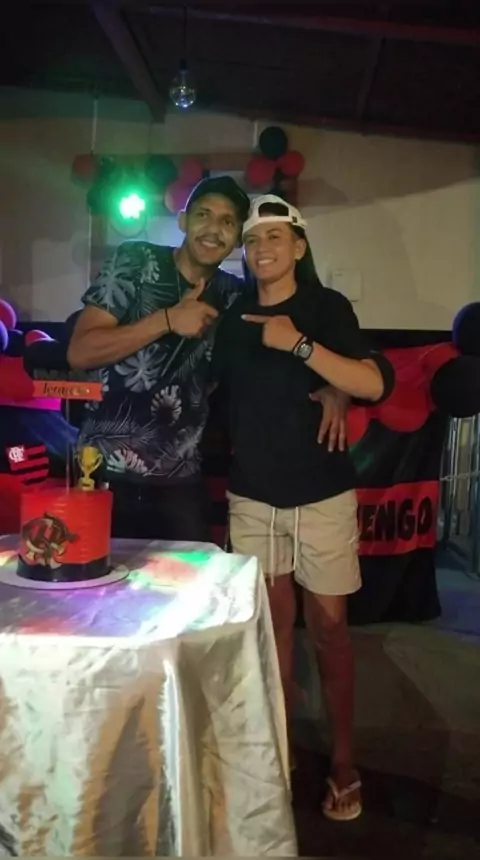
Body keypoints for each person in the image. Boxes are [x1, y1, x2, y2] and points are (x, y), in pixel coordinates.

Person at [211, 195, 395, 821]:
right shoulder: (233, 316)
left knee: (331, 629)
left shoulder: (324, 308)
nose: (261, 248)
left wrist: (304, 351)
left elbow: (375, 382)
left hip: (321, 496)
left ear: (298, 246)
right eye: (252, 239)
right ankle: (280, 751)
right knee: (271, 634)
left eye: (274, 236)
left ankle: (344, 761)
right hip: (253, 496)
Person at [67, 177, 348, 541]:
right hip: (101, 472)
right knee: (91, 576)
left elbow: (309, 347)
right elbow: (80, 352)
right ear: (183, 220)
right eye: (204, 214)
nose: (214, 229)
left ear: (237, 238)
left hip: (180, 478)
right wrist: (167, 320)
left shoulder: (233, 295)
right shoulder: (135, 260)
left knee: (192, 577)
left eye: (228, 221)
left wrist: (337, 389)